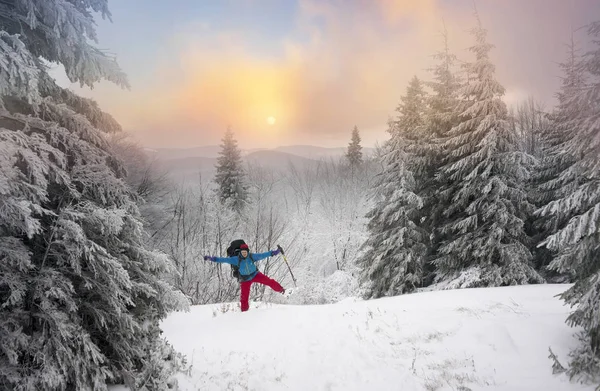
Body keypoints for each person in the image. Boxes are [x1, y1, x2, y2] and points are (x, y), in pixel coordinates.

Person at [203, 243, 285, 312]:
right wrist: (211, 259)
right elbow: (223, 260)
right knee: (244, 298)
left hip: (255, 274)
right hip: (245, 279)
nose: (244, 253)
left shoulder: (252, 256)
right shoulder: (236, 259)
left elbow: (263, 255)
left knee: (269, 281)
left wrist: (275, 252)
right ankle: (244, 313)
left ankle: (282, 290)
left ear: (247, 252)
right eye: (243, 252)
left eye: (245, 252)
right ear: (241, 252)